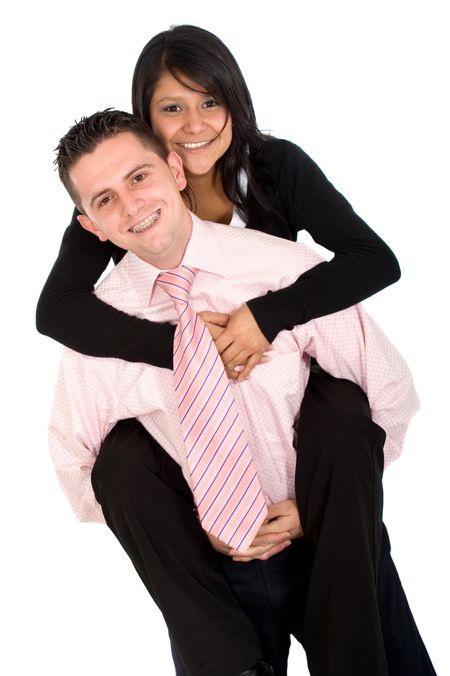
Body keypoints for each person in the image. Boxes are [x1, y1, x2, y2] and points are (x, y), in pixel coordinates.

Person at [37, 25, 435, 676]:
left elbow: (374, 274)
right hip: (214, 545)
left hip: (316, 490)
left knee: (342, 409)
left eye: (209, 102)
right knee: (118, 459)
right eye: (171, 108)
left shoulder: (277, 198)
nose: (193, 125)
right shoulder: (115, 220)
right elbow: (54, 314)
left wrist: (266, 318)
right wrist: (189, 350)